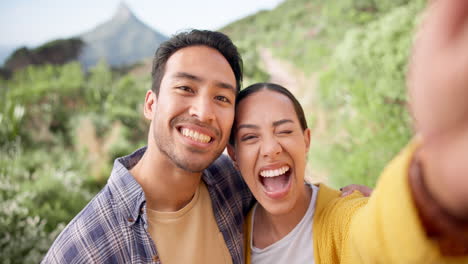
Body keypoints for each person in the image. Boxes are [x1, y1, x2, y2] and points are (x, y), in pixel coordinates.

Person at [42, 29, 368, 264]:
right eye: (185, 88)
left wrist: (355, 203)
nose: (204, 112)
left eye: (222, 97)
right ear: (151, 104)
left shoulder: (229, 182)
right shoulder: (84, 249)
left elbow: (287, 188)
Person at [227, 1, 468, 262]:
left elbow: (379, 237)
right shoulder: (231, 233)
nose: (272, 148)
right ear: (234, 155)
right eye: (250, 137)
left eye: (284, 131)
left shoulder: (341, 216)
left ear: (306, 141)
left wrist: (436, 184)